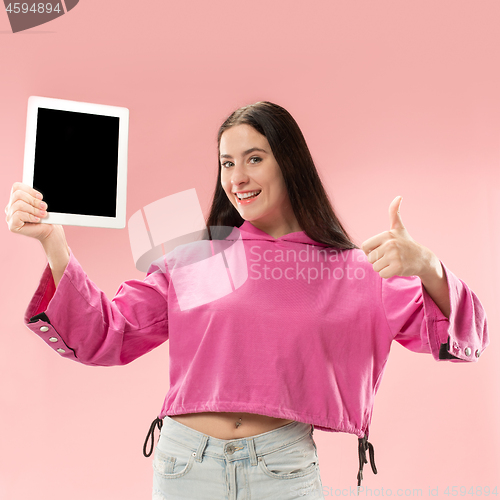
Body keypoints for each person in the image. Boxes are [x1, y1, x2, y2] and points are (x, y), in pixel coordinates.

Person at [6, 101, 489, 500]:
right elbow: (106, 335)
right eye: (227, 162)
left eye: (254, 158)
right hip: (183, 466)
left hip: (283, 468)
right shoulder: (191, 261)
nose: (237, 177)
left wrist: (427, 266)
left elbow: (461, 336)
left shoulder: (357, 270)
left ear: (289, 162)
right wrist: (54, 243)